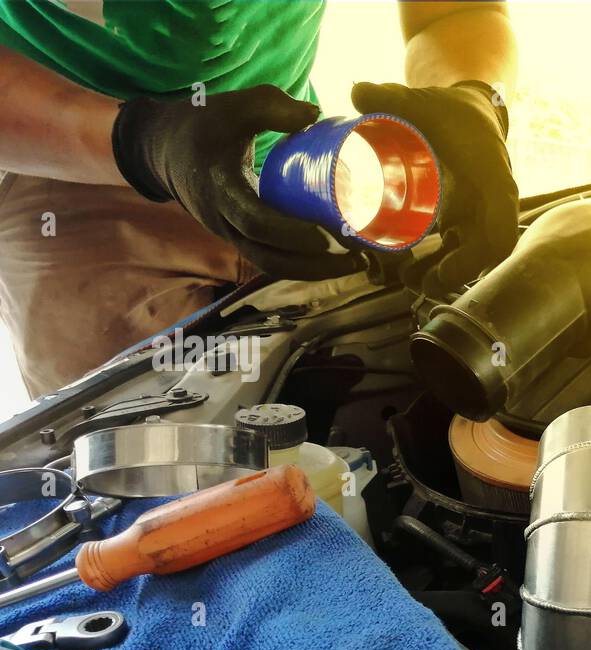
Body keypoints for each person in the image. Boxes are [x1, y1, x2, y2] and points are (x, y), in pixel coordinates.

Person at [0, 0, 518, 397]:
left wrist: (472, 95)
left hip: (292, 160)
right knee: (126, 467)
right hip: (72, 156)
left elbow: (454, 12)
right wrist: (139, 144)